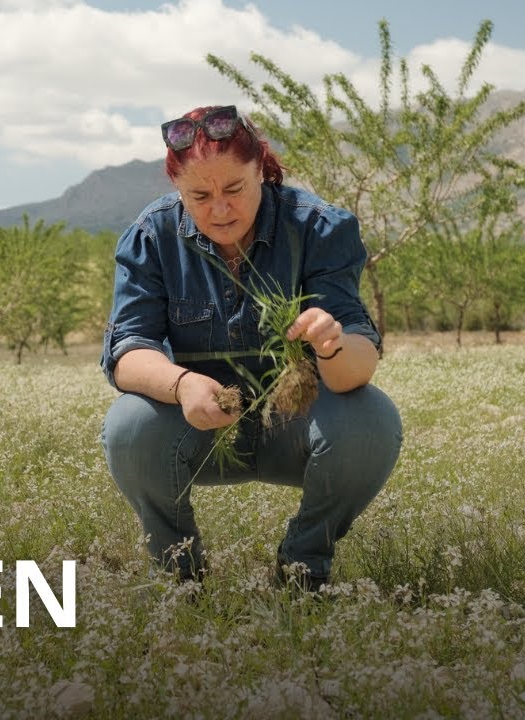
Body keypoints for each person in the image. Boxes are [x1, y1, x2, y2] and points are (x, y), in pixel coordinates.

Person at [99, 105, 403, 591]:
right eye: (199, 195)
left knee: (372, 420)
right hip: (200, 425)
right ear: (178, 189)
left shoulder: (319, 227)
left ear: (261, 170)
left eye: (235, 189)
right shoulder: (151, 235)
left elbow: (354, 373)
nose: (220, 210)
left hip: (295, 428)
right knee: (128, 426)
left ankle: (303, 568)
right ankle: (181, 577)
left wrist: (331, 342)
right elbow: (127, 350)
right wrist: (181, 385)